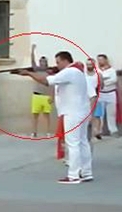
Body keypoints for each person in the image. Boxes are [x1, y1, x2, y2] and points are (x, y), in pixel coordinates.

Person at [18, 51, 94, 184]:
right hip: (81, 111)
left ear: (65, 61)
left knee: (73, 143)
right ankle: (86, 172)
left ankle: (73, 175)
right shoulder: (78, 72)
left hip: (72, 112)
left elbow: (47, 81)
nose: (57, 65)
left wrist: (29, 73)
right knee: (82, 142)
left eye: (58, 62)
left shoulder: (69, 72)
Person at [30, 44, 53, 138]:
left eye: (44, 61)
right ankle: (34, 132)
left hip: (46, 95)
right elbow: (32, 62)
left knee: (46, 115)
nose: (42, 63)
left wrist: (52, 96)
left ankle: (48, 132)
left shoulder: (49, 72)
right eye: (41, 61)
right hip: (36, 95)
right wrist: (32, 51)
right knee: (35, 115)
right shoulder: (36, 70)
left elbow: (52, 84)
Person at [96, 54, 119, 137]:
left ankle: (113, 130)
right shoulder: (97, 70)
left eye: (101, 59)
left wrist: (103, 81)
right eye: (98, 60)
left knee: (111, 113)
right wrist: (103, 81)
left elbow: (114, 80)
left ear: (106, 60)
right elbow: (96, 81)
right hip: (100, 94)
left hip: (111, 93)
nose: (100, 61)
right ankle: (99, 130)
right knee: (99, 114)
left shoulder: (112, 70)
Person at [86, 58, 104, 140]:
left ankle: (97, 131)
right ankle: (89, 132)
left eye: (90, 64)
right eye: (87, 64)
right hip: (85, 97)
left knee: (96, 115)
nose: (89, 66)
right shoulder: (83, 74)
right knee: (87, 115)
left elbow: (102, 85)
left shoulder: (98, 74)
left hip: (95, 96)